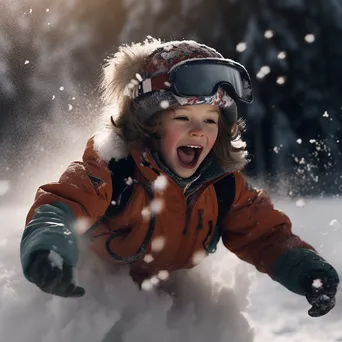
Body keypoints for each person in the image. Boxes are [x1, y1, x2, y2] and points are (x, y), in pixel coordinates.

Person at [20, 38, 339, 317]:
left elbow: (264, 235)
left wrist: (306, 270)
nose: (198, 130)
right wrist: (49, 250)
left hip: (167, 295)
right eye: (183, 117)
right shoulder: (113, 168)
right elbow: (60, 205)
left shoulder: (222, 185)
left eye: (211, 121)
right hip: (96, 292)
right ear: (150, 125)